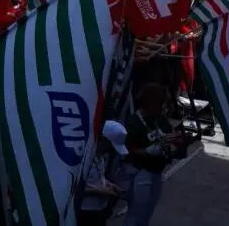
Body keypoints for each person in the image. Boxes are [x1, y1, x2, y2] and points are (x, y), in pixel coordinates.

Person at [124, 84, 185, 226]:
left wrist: (176, 142)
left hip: (157, 173)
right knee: (136, 213)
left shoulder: (160, 119)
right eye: (160, 104)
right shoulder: (134, 122)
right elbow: (128, 151)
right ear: (150, 103)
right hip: (140, 173)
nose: (163, 108)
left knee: (148, 212)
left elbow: (169, 137)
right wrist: (148, 151)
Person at [79, 120, 128, 226]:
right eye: (111, 146)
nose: (112, 151)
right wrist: (98, 191)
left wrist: (110, 185)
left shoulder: (101, 156)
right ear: (104, 140)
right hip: (85, 210)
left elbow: (98, 177)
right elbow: (74, 189)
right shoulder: (83, 157)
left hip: (100, 208)